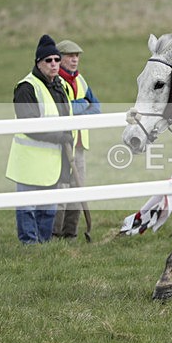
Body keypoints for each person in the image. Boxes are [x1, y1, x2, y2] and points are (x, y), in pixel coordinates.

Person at [5, 34, 73, 244]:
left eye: (56, 59)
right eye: (48, 61)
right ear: (38, 63)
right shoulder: (26, 88)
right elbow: (29, 126)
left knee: (48, 207)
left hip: (51, 160)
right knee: (27, 207)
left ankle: (43, 244)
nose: (53, 64)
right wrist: (60, 137)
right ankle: (29, 245)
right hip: (29, 160)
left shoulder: (59, 85)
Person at [52, 39, 101, 240]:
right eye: (70, 56)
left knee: (78, 189)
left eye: (77, 56)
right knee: (62, 189)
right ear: (60, 58)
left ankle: (70, 234)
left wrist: (77, 106)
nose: (74, 59)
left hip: (79, 145)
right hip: (62, 144)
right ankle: (54, 234)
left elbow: (97, 107)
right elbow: (64, 110)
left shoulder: (81, 80)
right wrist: (82, 104)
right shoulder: (55, 82)